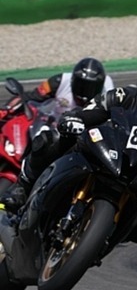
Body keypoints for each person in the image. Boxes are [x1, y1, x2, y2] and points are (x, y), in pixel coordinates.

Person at [1, 68, 137, 249]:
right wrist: (75, 119)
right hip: (107, 148)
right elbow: (91, 111)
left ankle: (106, 237)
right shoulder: (124, 96)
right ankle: (22, 188)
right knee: (49, 139)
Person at [1, 57, 114, 207]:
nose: (85, 92)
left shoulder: (109, 90)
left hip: (85, 135)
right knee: (42, 141)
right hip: (53, 128)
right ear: (73, 80)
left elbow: (115, 115)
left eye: (91, 88)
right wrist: (7, 109)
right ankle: (22, 186)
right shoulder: (59, 81)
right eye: (81, 86)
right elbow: (32, 97)